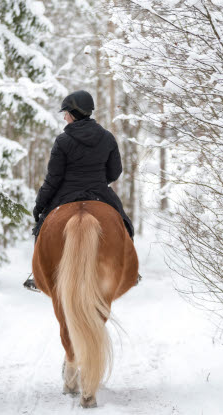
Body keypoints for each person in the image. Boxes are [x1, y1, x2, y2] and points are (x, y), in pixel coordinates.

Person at [23, 90, 134, 292]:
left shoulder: (63, 141)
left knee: (41, 229)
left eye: (65, 112)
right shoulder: (108, 138)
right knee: (125, 225)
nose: (64, 116)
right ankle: (129, 270)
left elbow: (53, 178)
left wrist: (40, 205)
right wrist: (98, 182)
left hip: (66, 194)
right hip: (100, 191)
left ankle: (38, 276)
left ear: (73, 113)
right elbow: (115, 171)